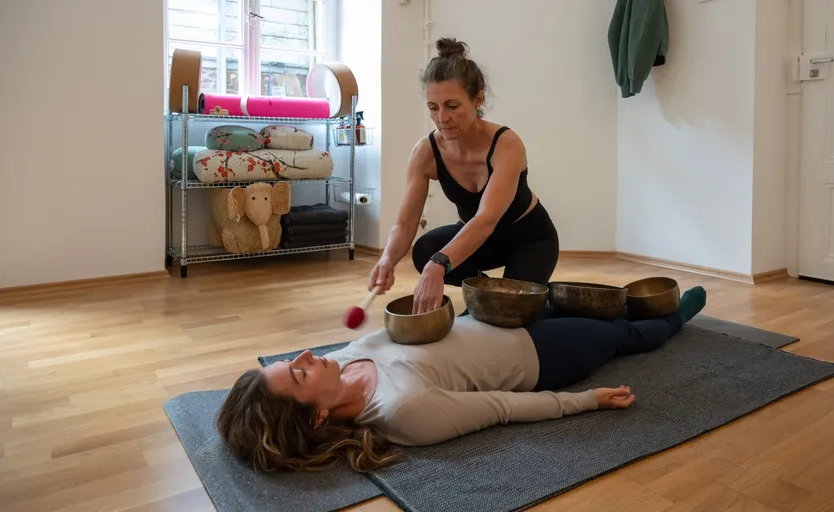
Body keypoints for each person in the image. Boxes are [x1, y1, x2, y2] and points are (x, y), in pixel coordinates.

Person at [216, 285, 708, 473]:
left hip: (492, 314)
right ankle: (676, 318)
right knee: (623, 332)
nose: (306, 355)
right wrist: (584, 402)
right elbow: (502, 408)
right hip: (538, 356)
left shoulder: (338, 361)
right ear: (318, 414)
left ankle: (646, 299)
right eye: (298, 371)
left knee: (586, 297)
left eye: (292, 360)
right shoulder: (403, 412)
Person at [367, 37, 560, 314]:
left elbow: (484, 220)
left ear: (478, 99)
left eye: (452, 106)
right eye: (433, 107)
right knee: (426, 250)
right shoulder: (426, 152)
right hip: (479, 241)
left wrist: (439, 265)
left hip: (529, 239)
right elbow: (405, 223)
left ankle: (531, 297)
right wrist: (387, 259)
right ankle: (490, 294)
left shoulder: (507, 144)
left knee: (512, 315)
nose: (442, 117)